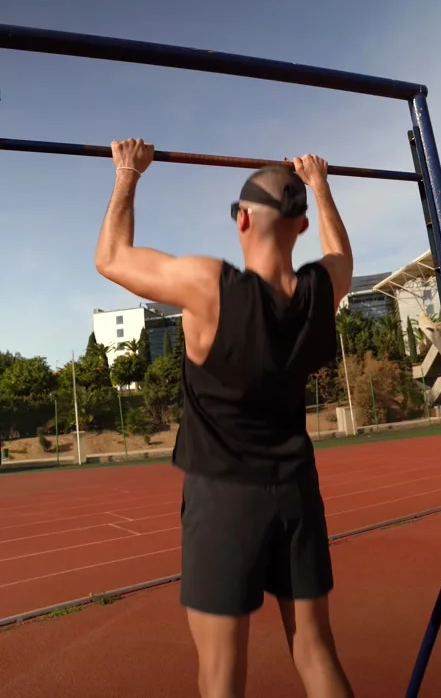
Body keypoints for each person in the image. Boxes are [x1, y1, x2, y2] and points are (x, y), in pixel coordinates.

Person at [95, 138, 355, 698]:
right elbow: (344, 258)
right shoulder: (320, 293)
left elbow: (111, 259)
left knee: (221, 674)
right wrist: (321, 185)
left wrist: (126, 173)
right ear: (301, 226)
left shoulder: (210, 288)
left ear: (241, 219)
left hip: (222, 498)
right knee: (315, 652)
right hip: (296, 492)